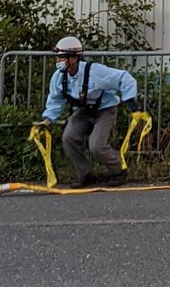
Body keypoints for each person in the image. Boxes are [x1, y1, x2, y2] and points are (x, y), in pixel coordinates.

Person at [42, 36, 139, 184]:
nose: (58, 62)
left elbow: (124, 78)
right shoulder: (58, 77)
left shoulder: (94, 72)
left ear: (73, 58)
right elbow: (56, 99)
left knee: (97, 145)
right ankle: (86, 175)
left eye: (61, 58)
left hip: (104, 110)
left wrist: (130, 99)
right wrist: (48, 119)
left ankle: (118, 171)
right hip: (82, 112)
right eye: (57, 58)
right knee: (68, 138)